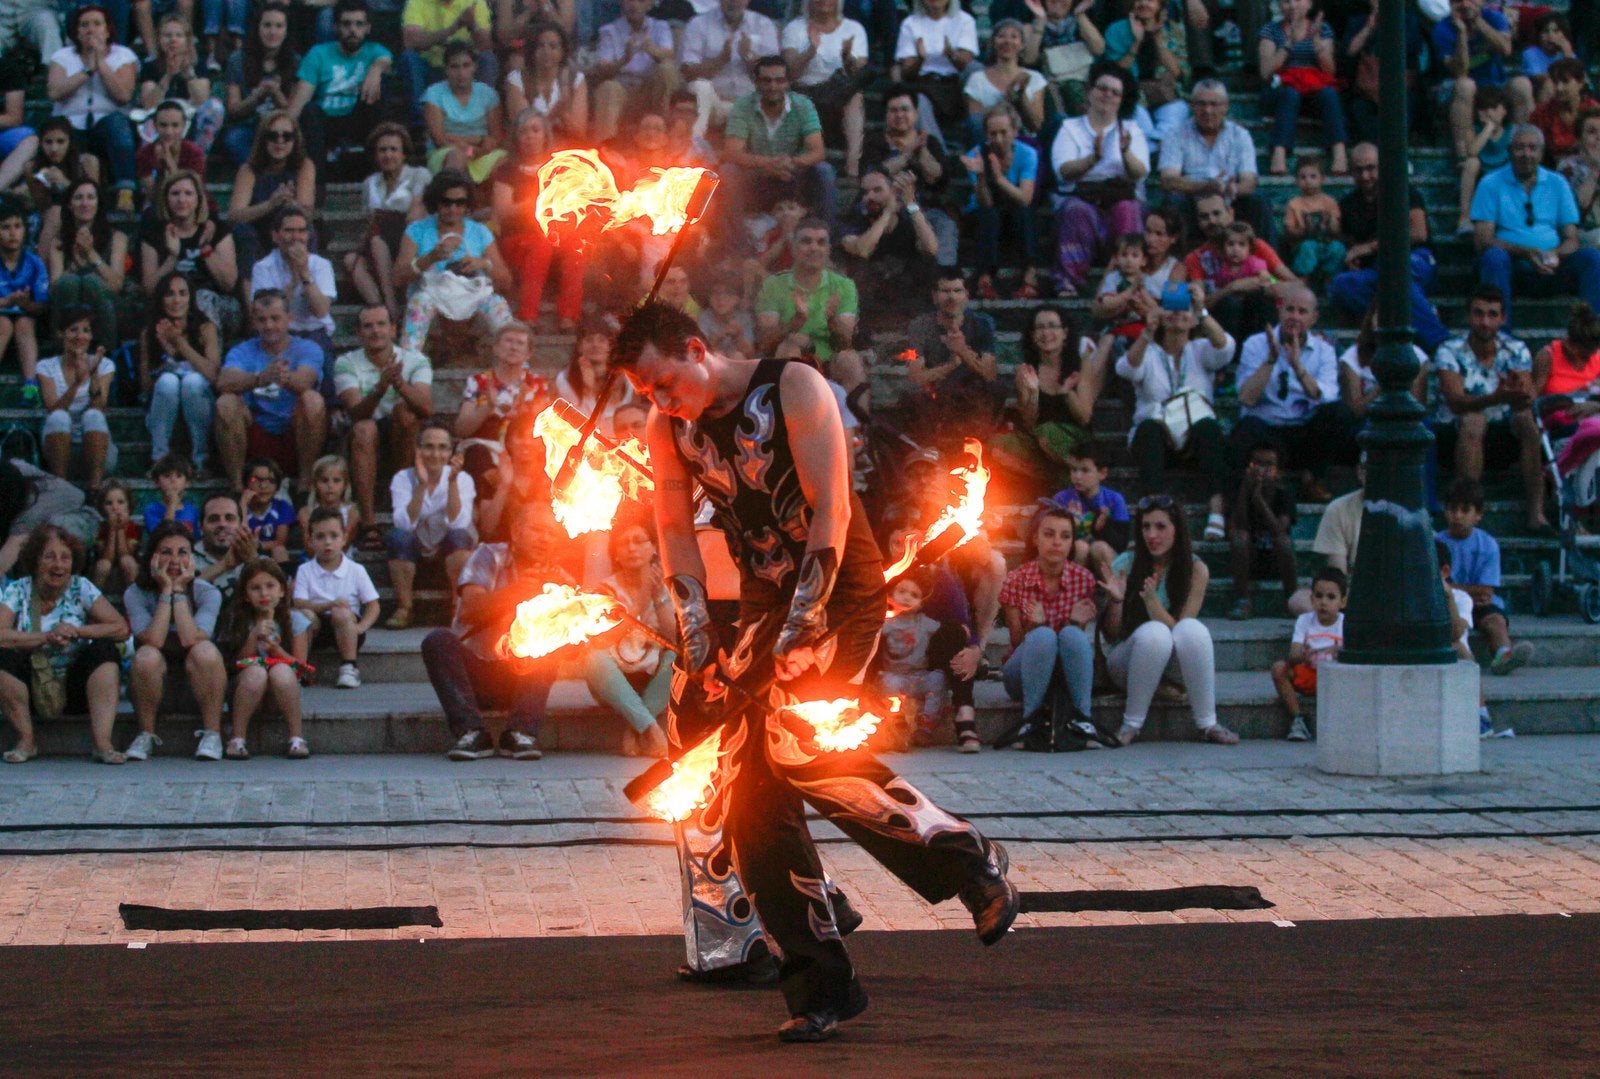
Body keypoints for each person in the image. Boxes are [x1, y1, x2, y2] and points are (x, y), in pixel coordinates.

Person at [613, 300, 1017, 1040]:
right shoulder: (667, 428)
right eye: (646, 392)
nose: (660, 402)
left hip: (840, 586)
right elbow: (674, 533)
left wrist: (805, 626)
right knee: (751, 797)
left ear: (697, 349)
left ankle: (968, 861)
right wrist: (699, 639)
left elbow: (830, 511)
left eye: (664, 383)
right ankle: (820, 987)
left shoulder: (793, 386)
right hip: (764, 600)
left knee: (801, 747)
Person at [423, 497, 564, 762]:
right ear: (516, 531)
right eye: (537, 530)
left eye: (551, 533)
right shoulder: (488, 555)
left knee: (551, 638)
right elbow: (469, 609)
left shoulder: (558, 578)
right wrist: (516, 593)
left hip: (521, 678)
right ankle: (471, 732)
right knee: (437, 640)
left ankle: (521, 733)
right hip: (474, 673)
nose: (544, 539)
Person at [1100, 494, 1231, 746]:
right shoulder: (1126, 563)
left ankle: (1207, 723)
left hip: (1175, 662)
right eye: (1146, 527)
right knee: (1154, 634)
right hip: (1127, 661)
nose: (1152, 535)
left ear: (1177, 529)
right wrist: (1116, 601)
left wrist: (1153, 603)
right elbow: (1111, 635)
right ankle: (1131, 724)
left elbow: (1182, 630)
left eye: (1161, 527)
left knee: (1192, 629)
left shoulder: (1196, 569)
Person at [0, 524, 131, 764]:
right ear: (35, 560)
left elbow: (120, 628)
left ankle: (103, 743)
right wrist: (46, 637)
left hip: (75, 687)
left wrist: (76, 632)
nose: (58, 565)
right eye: (49, 557)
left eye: (65, 558)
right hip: (32, 686)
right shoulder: (17, 590)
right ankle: (26, 740)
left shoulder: (81, 587)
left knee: (104, 650)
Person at [1117, 287, 1233, 537]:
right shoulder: (1150, 351)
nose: (1177, 314)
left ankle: (1216, 511)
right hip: (1157, 441)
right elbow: (1126, 369)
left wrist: (1201, 310)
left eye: (1184, 309)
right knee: (1148, 429)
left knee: (1209, 427)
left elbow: (1225, 348)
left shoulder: (1200, 349)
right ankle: (1155, 513)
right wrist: (1148, 331)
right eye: (1171, 308)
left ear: (1193, 319)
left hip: (1194, 443)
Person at [1432, 285, 1546, 532]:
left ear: (1502, 318)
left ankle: (1536, 513)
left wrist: (1520, 392)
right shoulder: (1449, 350)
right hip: (1455, 435)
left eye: (1492, 314)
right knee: (1474, 420)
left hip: (1502, 435)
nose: (1485, 322)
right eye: (1478, 313)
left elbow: (1527, 397)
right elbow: (1455, 401)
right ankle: (1466, 512)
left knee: (1527, 420)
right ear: (1468, 316)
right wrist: (1495, 398)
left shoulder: (1516, 349)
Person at [1327, 144, 1448, 353]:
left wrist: (1370, 247)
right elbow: (1350, 247)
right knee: (1341, 285)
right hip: (1376, 273)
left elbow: (1419, 233)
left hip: (1415, 259)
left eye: (1371, 168)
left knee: (1394, 272)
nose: (1365, 176)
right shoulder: (1348, 204)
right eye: (1359, 169)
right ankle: (1422, 310)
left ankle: (1440, 343)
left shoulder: (1404, 191)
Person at [123, 521, 229, 761]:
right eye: (165, 552)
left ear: (192, 558)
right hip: (153, 685)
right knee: (146, 655)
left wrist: (179, 590)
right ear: (152, 557)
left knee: (205, 650)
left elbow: (191, 638)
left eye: (182, 552)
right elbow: (153, 640)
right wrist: (165, 591)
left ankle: (212, 734)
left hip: (200, 685)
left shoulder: (207, 592)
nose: (174, 560)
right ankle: (146, 734)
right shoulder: (135, 593)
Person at [1473, 125, 1600, 319]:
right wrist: (1526, 252)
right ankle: (1500, 331)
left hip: (1553, 265)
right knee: (1493, 257)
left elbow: (1572, 239)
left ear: (1542, 153)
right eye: (1520, 148)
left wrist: (1554, 254)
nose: (1526, 154)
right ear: (1509, 151)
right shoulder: (1490, 183)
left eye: (1533, 148)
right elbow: (1482, 241)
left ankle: (1591, 329)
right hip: (1512, 266)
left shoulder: (1558, 183)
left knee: (1591, 257)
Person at [1230, 286, 1342, 503]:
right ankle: (1241, 498)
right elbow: (1245, 398)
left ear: (1314, 318)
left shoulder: (1324, 350)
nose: (1295, 317)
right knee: (1245, 429)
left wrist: (1298, 368)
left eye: (1302, 311)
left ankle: (1312, 479)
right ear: (1279, 310)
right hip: (1267, 429)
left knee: (1338, 413)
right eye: (1290, 309)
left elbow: (1325, 396)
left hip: (1303, 431)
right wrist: (1270, 360)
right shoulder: (1255, 344)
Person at [1050, 64, 1149, 298]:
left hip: (1120, 196)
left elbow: (1141, 172)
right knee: (1077, 211)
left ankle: (1127, 282)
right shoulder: (1070, 128)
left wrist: (1125, 153)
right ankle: (1069, 281)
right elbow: (1063, 170)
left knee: (1128, 209)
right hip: (1081, 196)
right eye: (1102, 88)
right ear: (1090, 91)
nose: (1107, 95)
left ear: (1121, 100)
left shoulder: (1131, 129)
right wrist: (1093, 158)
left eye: (1115, 92)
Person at [998, 505, 1097, 733]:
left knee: (1072, 634)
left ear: (1072, 543)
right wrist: (1033, 625)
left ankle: (1084, 718)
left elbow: (1074, 644)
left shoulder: (1083, 579)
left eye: (1065, 536)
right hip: (1023, 672)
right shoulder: (1016, 579)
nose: (1057, 542)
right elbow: (1016, 642)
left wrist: (1074, 622)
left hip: (1066, 674)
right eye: (1049, 534)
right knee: (1042, 636)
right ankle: (1029, 721)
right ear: (1035, 538)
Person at [582, 514, 675, 757]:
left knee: (678, 659)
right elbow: (601, 641)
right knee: (593, 658)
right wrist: (639, 605)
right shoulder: (604, 591)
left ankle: (637, 729)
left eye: (639, 541)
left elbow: (674, 640)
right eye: (624, 543)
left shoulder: (668, 586)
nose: (632, 548)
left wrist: (658, 597)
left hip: (654, 678)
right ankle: (652, 730)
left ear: (653, 548)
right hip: (614, 681)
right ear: (615, 553)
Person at [215, 293, 327, 491]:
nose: (268, 326)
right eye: (262, 320)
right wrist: (260, 378)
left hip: (296, 434)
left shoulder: (308, 348)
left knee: (312, 399)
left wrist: (281, 377)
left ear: (289, 318)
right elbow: (223, 381)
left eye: (275, 318)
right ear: (254, 322)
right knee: (226, 403)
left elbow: (305, 382)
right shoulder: (243, 350)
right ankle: (237, 488)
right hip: (255, 434)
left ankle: (305, 485)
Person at [393, 169, 513, 353]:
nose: (453, 209)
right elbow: (397, 278)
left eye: (460, 203)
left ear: (467, 204)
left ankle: (518, 364)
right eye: (446, 202)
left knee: (497, 304)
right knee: (419, 303)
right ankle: (409, 362)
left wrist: (483, 264)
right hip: (431, 298)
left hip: (472, 298)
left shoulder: (480, 232)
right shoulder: (417, 230)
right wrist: (430, 258)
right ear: (435, 201)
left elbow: (506, 280)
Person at [492, 110, 583, 329]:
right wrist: (535, 203)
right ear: (516, 138)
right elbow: (501, 212)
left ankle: (568, 316)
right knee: (541, 244)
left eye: (535, 130)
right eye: (524, 132)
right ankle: (528, 315)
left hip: (556, 236)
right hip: (518, 239)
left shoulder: (560, 169)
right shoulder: (507, 171)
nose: (530, 136)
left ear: (545, 135)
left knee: (577, 246)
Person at [870, 566, 976, 751]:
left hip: (919, 676)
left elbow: (948, 630)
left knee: (938, 679)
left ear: (921, 602)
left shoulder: (925, 623)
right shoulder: (886, 624)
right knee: (887, 682)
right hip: (895, 675)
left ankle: (926, 726)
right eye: (902, 591)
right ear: (890, 595)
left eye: (914, 595)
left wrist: (965, 633)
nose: (907, 597)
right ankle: (896, 721)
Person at [1436, 477, 1534, 676]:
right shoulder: (1436, 542)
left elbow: (1485, 592)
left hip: (1481, 605)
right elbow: (1435, 585)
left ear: (1478, 515)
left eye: (1465, 510)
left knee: (1495, 621)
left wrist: (1456, 588)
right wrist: (1465, 592)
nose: (1457, 516)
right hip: (1449, 602)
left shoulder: (1487, 544)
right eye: (1452, 509)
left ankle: (1504, 655)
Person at [723, 56, 836, 229]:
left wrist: (791, 162)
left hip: (793, 174)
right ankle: (736, 239)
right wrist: (768, 164)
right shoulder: (743, 106)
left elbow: (817, 151)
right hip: (757, 175)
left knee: (824, 171)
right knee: (728, 171)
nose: (773, 86)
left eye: (779, 80)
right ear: (756, 82)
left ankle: (826, 234)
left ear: (788, 83)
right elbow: (732, 153)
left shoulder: (803, 105)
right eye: (766, 81)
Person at [46, 6, 139, 214]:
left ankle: (126, 190)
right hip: (71, 121)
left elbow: (123, 95)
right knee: (57, 131)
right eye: (84, 25)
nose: (91, 29)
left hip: (108, 120)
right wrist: (87, 70)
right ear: (77, 32)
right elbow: (54, 92)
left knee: (118, 126)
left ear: (107, 30)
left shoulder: (123, 55)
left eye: (97, 24)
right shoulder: (62, 56)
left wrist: (100, 63)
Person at [388, 421, 476, 629]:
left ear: (450, 452)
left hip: (448, 549)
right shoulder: (403, 478)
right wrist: (421, 485)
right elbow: (403, 523)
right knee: (398, 537)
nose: (435, 454)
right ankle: (404, 607)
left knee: (460, 536)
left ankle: (457, 604)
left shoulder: (462, 479)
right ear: (418, 449)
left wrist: (452, 482)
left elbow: (458, 522)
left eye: (442, 447)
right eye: (429, 447)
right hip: (414, 549)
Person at [220, 557, 311, 759]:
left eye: (270, 586)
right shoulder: (236, 620)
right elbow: (235, 665)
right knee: (256, 673)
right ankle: (237, 739)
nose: (264, 594)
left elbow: (301, 669)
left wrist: (276, 650)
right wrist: (253, 636)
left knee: (281, 670)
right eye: (255, 588)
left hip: (280, 693)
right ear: (245, 595)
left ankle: (297, 738)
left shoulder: (295, 620)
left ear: (282, 590)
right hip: (247, 689)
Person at [287, 0, 394, 169]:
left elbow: (385, 60)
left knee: (379, 98)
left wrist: (375, 69)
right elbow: (300, 101)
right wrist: (285, 130)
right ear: (336, 27)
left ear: (368, 28)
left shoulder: (375, 51)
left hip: (356, 119)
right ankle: (316, 179)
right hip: (325, 121)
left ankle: (376, 174)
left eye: (359, 24)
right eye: (346, 24)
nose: (353, 30)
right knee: (309, 111)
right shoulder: (318, 53)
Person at [1157, 79, 1268, 240]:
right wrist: (1206, 187)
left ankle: (1264, 255)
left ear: (1226, 106)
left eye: (1214, 104)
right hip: (1192, 196)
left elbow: (1249, 181)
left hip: (1229, 197)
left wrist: (1230, 189)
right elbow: (1168, 180)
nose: (1207, 110)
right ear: (1192, 106)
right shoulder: (1176, 134)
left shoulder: (1240, 135)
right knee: (1174, 202)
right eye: (1201, 104)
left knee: (1259, 203)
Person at [903, 269, 1002, 445]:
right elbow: (914, 376)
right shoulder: (918, 327)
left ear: (966, 295)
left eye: (957, 291)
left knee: (996, 390)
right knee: (912, 395)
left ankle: (981, 447)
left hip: (971, 392)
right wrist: (950, 365)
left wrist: (962, 349)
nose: (952, 297)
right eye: (945, 291)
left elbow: (990, 374)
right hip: (936, 392)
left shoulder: (983, 324)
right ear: (935, 296)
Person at [1005, 307, 1102, 482]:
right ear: (1032, 335)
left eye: (1052, 326)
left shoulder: (1081, 366)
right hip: (1038, 440)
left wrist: (1067, 393)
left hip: (1073, 439)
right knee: (1000, 443)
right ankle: (1048, 477)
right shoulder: (1025, 371)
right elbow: (1028, 422)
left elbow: (1084, 418)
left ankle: (1071, 477)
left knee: (1049, 432)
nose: (1046, 333)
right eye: (1040, 327)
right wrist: (1033, 392)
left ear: (1064, 333)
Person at [347, 123, 430, 324]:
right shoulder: (370, 183)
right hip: (379, 241)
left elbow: (416, 212)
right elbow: (367, 220)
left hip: (409, 239)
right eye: (382, 150)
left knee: (378, 237)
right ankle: (381, 308)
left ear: (404, 153)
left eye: (393, 149)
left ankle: (391, 305)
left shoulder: (418, 175)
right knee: (351, 260)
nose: (388, 155)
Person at [140, 170, 240, 335]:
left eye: (188, 193)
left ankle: (207, 349)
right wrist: (172, 256)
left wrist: (206, 250)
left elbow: (229, 284)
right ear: (166, 199)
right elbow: (149, 289)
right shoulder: (154, 234)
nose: (181, 199)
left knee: (201, 298)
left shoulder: (217, 230)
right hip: (171, 304)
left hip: (218, 304)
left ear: (198, 199)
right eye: (175, 194)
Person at [839, 168, 941, 327]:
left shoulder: (910, 223)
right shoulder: (853, 224)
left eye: (877, 190)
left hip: (911, 307)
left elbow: (931, 248)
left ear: (893, 193)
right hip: (869, 308)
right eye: (865, 192)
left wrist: (911, 203)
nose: (870, 197)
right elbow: (863, 250)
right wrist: (888, 212)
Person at [1434, 0, 1533, 163]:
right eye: (1458, 1)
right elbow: (1460, 71)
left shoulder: (1494, 18)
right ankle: (1464, 158)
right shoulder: (1442, 29)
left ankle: (1523, 150)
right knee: (1466, 85)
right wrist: (1462, 33)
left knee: (1521, 84)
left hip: (1494, 85)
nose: (1465, 4)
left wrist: (1479, 23)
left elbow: (1506, 49)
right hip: (1456, 91)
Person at [140, 272, 220, 473]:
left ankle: (202, 459)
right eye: (170, 294)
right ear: (161, 298)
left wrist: (180, 345)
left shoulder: (205, 328)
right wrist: (167, 359)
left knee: (192, 381)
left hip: (200, 401)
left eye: (183, 293)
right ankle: (159, 457)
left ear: (191, 298)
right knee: (168, 381)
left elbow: (214, 376)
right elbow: (145, 386)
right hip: (162, 405)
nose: (176, 300)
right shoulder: (149, 332)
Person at [292, 508, 380, 688]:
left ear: (344, 538)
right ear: (310, 540)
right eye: (320, 537)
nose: (327, 542)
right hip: (317, 629)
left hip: (348, 628)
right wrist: (329, 605)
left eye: (334, 536)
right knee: (304, 615)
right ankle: (302, 667)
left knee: (341, 612)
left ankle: (349, 667)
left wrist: (360, 627)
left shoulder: (356, 570)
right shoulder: (305, 570)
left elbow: (373, 605)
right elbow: (299, 603)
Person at [959, 103, 1038, 300]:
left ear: (1015, 131)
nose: (998, 139)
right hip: (983, 213)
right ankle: (985, 277)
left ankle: (1030, 273)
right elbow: (985, 203)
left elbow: (1025, 197)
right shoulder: (977, 155)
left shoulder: (1027, 154)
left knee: (1024, 212)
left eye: (1004, 132)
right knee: (989, 215)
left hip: (1012, 212)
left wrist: (999, 179)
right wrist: (981, 177)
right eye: (993, 134)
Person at [1258, 0, 1346, 177]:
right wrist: (1289, 44)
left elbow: (1330, 71)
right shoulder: (1270, 30)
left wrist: (1316, 41)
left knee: (1329, 94)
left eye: (1298, 0)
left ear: (1309, 4)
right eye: (1286, 2)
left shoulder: (1322, 28)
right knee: (1290, 95)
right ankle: (1279, 151)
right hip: (1282, 89)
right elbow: (1265, 72)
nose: (1292, 6)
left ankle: (1339, 151)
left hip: (1314, 88)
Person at [782, 0, 869, 177]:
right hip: (803, 93)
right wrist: (810, 51)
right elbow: (789, 73)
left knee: (856, 96)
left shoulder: (854, 29)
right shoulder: (794, 28)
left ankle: (852, 167)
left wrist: (847, 57)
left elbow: (858, 72)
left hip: (837, 95)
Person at [228, 112, 317, 286]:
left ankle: (303, 290)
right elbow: (235, 215)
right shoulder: (249, 169)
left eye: (287, 136)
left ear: (295, 140)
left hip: (288, 228)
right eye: (272, 136)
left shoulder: (304, 166)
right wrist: (271, 204)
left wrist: (290, 203)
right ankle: (250, 297)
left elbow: (307, 213)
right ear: (263, 139)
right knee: (242, 232)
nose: (280, 141)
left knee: (306, 231)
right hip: (257, 229)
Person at [754, 217, 858, 362]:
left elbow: (845, 343)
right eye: (806, 241)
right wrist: (795, 322)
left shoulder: (844, 286)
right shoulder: (772, 285)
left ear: (828, 250)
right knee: (789, 347)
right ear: (793, 248)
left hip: (830, 360)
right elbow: (765, 345)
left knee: (849, 359)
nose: (814, 248)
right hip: (788, 358)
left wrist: (832, 321)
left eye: (821, 242)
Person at [38, 307, 116, 488]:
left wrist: (93, 373)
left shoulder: (104, 364)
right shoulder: (46, 366)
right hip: (58, 450)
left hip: (98, 452)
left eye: (86, 331)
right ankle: (61, 487)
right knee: (59, 417)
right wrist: (77, 383)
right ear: (61, 334)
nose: (80, 336)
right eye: (73, 330)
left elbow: (99, 407)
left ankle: (94, 489)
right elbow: (53, 409)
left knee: (93, 415)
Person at [249, 203, 337, 361]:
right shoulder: (262, 267)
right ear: (275, 236)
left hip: (314, 332)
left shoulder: (321, 265)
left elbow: (321, 311)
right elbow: (267, 311)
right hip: (279, 333)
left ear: (308, 236)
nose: (296, 237)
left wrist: (304, 273)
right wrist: (294, 280)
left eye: (301, 231)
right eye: (289, 231)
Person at [1436, 538, 1505, 738]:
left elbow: (1456, 633)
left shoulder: (1460, 598)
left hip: (1456, 659)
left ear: (1444, 572)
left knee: (1457, 646)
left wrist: (1448, 597)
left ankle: (1481, 716)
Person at [48, 179, 127, 352]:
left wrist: (91, 254)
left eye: (91, 197)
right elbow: (55, 289)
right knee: (69, 281)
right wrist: (75, 265)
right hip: (69, 303)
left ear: (98, 203)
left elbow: (117, 285)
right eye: (79, 198)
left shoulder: (117, 238)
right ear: (70, 205)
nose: (85, 203)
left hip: (107, 307)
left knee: (91, 281)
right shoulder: (58, 241)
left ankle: (104, 352)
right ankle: (65, 350)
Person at [682, 0, 779, 141]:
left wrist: (749, 57)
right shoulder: (699, 24)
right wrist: (720, 60)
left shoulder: (763, 24)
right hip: (715, 103)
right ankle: (696, 144)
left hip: (751, 102)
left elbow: (775, 73)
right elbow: (688, 71)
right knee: (700, 86)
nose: (733, 2)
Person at [1270, 565, 1345, 743]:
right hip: (1310, 673)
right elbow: (1293, 655)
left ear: (1343, 602)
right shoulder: (1305, 621)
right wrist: (1303, 655)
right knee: (1279, 669)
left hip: (1335, 678)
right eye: (1318, 596)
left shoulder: (1345, 624)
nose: (1323, 602)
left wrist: (1341, 655)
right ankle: (1298, 719)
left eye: (1331, 597)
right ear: (1311, 599)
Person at [399, 0, 496, 134]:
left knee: (487, 58)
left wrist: (473, 25)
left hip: (465, 70)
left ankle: (480, 118)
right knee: (409, 58)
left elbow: (486, 44)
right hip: (431, 68)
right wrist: (452, 29)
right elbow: (411, 41)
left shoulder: (475, 2)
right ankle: (421, 126)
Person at [589, 0, 680, 142]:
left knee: (667, 70)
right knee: (609, 88)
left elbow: (670, 57)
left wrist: (652, 50)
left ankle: (666, 139)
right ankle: (605, 148)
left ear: (650, 4)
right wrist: (624, 59)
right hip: (622, 91)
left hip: (650, 89)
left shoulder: (660, 27)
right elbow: (602, 70)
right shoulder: (610, 31)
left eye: (640, 1)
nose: (634, 5)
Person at [1227, 442, 1299, 621]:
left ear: (1278, 470)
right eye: (1257, 464)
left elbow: (1279, 530)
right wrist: (1246, 491)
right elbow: (1237, 526)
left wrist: (1259, 500)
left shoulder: (1285, 492)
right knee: (1239, 538)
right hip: (1248, 560)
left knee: (1284, 542)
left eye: (1269, 465)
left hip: (1275, 560)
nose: (1263, 470)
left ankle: (1292, 600)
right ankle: (1243, 600)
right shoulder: (1239, 488)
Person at [221, 2, 299, 166]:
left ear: (286, 31)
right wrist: (257, 97)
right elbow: (233, 110)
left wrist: (276, 94)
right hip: (249, 125)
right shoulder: (237, 60)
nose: (272, 32)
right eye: (267, 25)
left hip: (282, 127)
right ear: (258, 28)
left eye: (279, 26)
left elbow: (293, 113)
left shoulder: (295, 61)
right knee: (234, 139)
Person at [421, 41, 506, 183]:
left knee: (506, 160)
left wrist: (474, 144)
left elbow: (495, 138)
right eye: (454, 67)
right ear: (446, 69)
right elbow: (439, 140)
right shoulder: (434, 94)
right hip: (446, 151)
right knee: (456, 157)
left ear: (474, 67)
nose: (461, 73)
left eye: (466, 65)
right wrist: (476, 144)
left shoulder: (488, 94)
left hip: (481, 151)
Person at [137, 14, 223, 150]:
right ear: (159, 39)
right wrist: (168, 75)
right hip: (162, 118)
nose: (173, 40)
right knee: (150, 123)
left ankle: (198, 155)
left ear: (187, 40)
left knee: (215, 107)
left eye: (179, 35)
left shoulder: (199, 65)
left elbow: (202, 100)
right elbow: (148, 104)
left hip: (190, 117)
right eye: (167, 35)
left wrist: (188, 74)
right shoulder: (150, 66)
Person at [893, 0, 978, 129]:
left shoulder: (965, 20)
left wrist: (951, 54)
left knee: (976, 70)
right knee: (918, 100)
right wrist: (920, 60)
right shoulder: (910, 23)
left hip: (955, 84)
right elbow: (907, 71)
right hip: (923, 83)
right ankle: (934, 142)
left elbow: (967, 64)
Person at [0, 198, 50, 407]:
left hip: (27, 320)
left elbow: (42, 306)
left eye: (17, 226)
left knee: (24, 323)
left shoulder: (34, 263)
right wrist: (6, 302)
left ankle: (30, 387)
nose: (13, 233)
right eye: (5, 227)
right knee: (3, 324)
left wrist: (26, 304)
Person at [502, 22, 588, 140]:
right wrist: (556, 112)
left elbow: (579, 132)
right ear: (532, 50)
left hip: (566, 146)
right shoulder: (516, 80)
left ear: (562, 51)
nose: (546, 52)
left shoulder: (576, 79)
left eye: (553, 46)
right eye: (540, 46)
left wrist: (564, 115)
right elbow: (525, 130)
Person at [964, 19, 1045, 142]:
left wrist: (1021, 96)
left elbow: (1037, 125)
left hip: (1025, 140)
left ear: (1022, 44)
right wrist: (1005, 102)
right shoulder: (977, 79)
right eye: (1001, 36)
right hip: (990, 140)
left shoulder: (1035, 78)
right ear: (993, 42)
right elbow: (976, 122)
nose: (1007, 41)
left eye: (1014, 37)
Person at [1281, 153, 1345, 286]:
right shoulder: (1294, 204)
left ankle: (1329, 280)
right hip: (1302, 244)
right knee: (1307, 247)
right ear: (1296, 180)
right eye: (1302, 177)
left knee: (1338, 248)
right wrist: (1304, 231)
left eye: (1313, 176)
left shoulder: (1330, 202)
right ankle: (1304, 280)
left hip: (1326, 243)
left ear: (1322, 179)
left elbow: (1336, 229)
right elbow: (1289, 230)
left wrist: (1330, 223)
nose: (1308, 181)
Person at [1456, 85, 1512, 237]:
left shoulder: (1512, 131)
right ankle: (1464, 218)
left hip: (1503, 174)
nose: (1488, 112)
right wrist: (1488, 128)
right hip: (1480, 174)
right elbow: (1472, 151)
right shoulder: (1474, 130)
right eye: (1483, 108)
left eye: (1493, 108)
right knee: (1471, 163)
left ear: (1504, 110)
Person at [134, 101, 207, 211]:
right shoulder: (144, 154)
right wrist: (161, 168)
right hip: (160, 207)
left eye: (175, 125)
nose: (169, 132)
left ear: (183, 126)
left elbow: (192, 193)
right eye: (163, 125)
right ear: (155, 125)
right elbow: (154, 197)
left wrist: (169, 163)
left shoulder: (194, 152)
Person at [192, 492, 259, 602]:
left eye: (230, 518)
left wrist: (253, 560)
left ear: (241, 525)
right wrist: (225, 565)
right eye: (214, 519)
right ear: (200, 527)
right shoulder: (185, 558)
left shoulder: (257, 559)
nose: (222, 524)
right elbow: (182, 592)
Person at [1528, 59, 1596, 166]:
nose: (1559, 88)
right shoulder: (1540, 114)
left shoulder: (1594, 111)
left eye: (1565, 82)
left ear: (1581, 83)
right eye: (1555, 82)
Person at [240, 456, 297, 566]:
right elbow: (241, 536)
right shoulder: (237, 507)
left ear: (277, 487)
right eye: (255, 480)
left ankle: (284, 576)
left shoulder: (282, 506)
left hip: (270, 555)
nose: (263, 486)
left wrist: (258, 545)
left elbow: (280, 541)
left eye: (271, 481)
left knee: (279, 550)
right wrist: (243, 505)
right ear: (245, 483)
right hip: (244, 554)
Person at [298, 454, 361, 550]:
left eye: (336, 480)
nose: (330, 485)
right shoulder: (306, 513)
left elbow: (344, 545)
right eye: (324, 480)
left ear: (345, 484)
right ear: (315, 484)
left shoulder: (352, 513)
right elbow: (309, 545)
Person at [1557, 108, 1600, 247]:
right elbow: (1578, 209)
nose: (1598, 137)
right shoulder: (1568, 167)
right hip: (1583, 232)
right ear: (1579, 139)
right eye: (1591, 132)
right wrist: (1595, 169)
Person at [92, 479, 141, 593]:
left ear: (129, 505)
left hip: (127, 559)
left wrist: (120, 530)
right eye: (109, 503)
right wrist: (112, 530)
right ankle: (93, 599)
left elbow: (125, 554)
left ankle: (135, 598)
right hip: (107, 559)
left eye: (120, 502)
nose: (115, 507)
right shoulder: (101, 527)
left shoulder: (132, 526)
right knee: (103, 565)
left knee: (127, 561)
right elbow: (107, 557)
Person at [141, 453, 199, 536]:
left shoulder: (192, 510)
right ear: (157, 482)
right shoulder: (151, 510)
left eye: (179, 476)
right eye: (167, 476)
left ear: (187, 483)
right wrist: (172, 504)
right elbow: (161, 536)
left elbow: (196, 538)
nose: (173, 480)